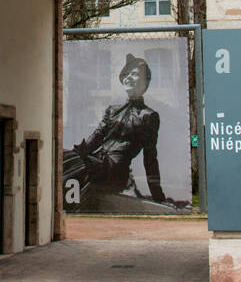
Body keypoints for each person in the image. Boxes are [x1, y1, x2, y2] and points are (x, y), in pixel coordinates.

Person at [64, 53, 185, 210]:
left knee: (81, 166)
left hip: (115, 169)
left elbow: (150, 158)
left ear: (144, 81)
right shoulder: (113, 110)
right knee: (66, 158)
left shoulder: (148, 116)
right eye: (126, 74)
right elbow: (96, 137)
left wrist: (158, 195)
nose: (128, 77)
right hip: (96, 161)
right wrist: (76, 153)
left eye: (133, 74)